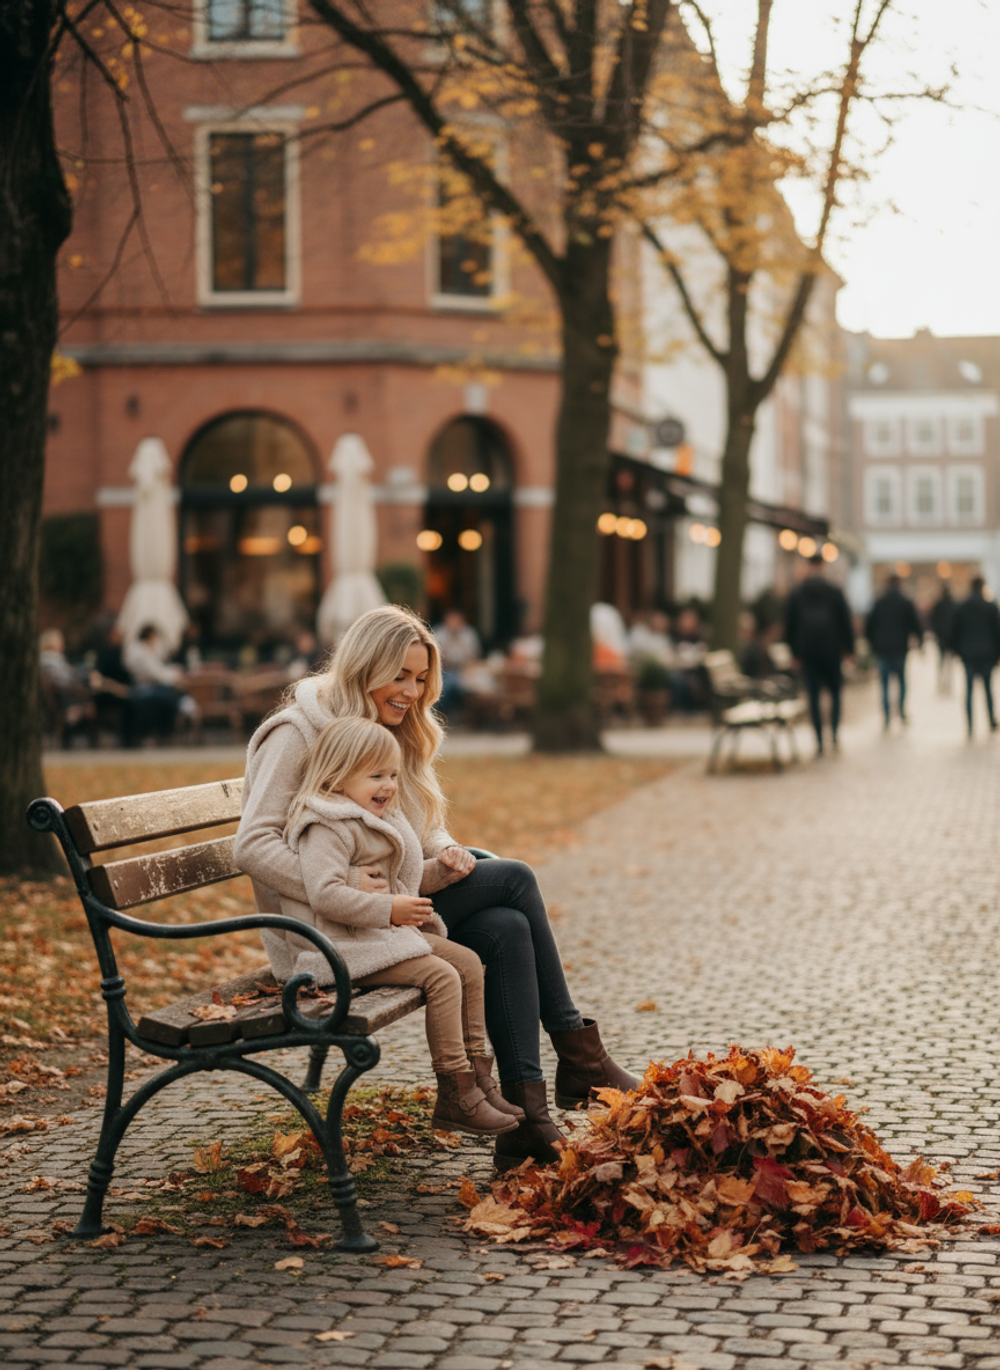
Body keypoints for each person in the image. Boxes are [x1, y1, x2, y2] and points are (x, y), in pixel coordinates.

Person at [234, 604, 638, 1172]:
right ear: (365, 666)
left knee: (504, 927)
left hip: (390, 904)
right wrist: (344, 882)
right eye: (399, 675)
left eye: (422, 678)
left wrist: (445, 847)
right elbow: (252, 845)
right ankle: (578, 1056)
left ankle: (528, 1120)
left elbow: (420, 825)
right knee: (515, 878)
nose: (412, 691)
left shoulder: (391, 726)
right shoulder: (299, 732)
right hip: (326, 927)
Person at [279, 715, 519, 1137]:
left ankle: (479, 1081)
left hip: (374, 937)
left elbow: (398, 879)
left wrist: (443, 871)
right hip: (336, 949)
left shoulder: (377, 816)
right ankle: (455, 1093)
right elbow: (325, 894)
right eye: (376, 776)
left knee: (467, 963)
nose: (389, 786)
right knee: (442, 977)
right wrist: (388, 909)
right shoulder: (325, 825)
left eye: (392, 775)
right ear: (337, 777)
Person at [784, 555, 855, 755]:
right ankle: (834, 735)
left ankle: (819, 740)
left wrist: (794, 653)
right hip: (831, 651)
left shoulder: (798, 593)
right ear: (823, 567)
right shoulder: (834, 591)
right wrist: (849, 650)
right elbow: (845, 622)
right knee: (835, 694)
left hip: (808, 652)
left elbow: (790, 625)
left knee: (813, 697)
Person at [865, 574, 923, 729]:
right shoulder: (905, 601)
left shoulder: (879, 602)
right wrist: (919, 641)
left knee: (884, 684)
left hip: (883, 649)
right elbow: (915, 624)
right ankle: (901, 710)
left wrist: (873, 644)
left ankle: (886, 716)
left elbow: (869, 626)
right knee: (901, 681)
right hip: (900, 648)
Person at [949, 576, 1000, 737]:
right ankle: (991, 720)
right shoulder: (990, 607)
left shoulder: (962, 607)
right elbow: (997, 632)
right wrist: (997, 654)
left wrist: (958, 651)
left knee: (969, 690)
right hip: (987, 654)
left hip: (968, 654)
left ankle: (970, 724)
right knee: (988, 689)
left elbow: (954, 632)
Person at [432, 610, 481, 719]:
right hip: (443, 670)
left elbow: (474, 656)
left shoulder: (469, 634)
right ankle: (442, 712)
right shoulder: (439, 633)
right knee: (447, 685)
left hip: (465, 670)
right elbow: (437, 658)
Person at [929, 582, 955, 695]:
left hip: (941, 638)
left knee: (941, 661)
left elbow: (933, 621)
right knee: (949, 663)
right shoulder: (953, 604)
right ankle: (948, 684)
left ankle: (941, 683)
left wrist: (936, 634)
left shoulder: (938, 605)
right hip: (950, 638)